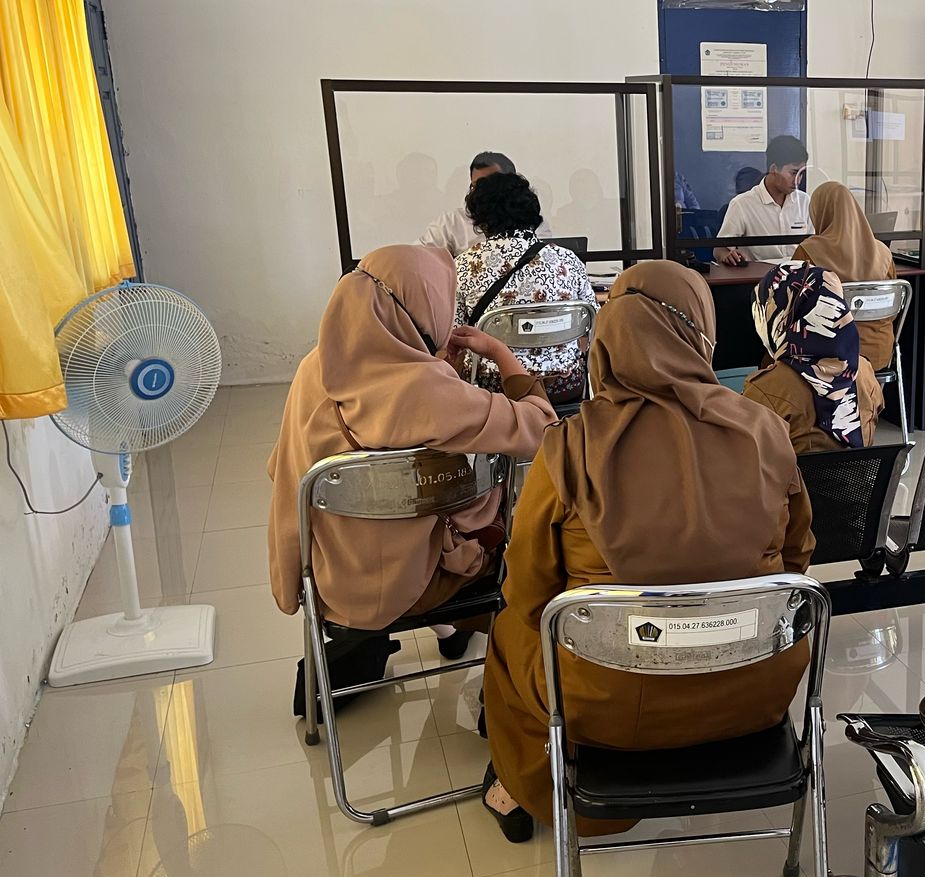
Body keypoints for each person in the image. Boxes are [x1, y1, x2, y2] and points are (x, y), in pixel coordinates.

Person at [480, 262, 815, 842]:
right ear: (700, 332)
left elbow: (529, 593)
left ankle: (525, 786)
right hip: (757, 685)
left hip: (604, 702)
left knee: (509, 630)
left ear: (608, 337)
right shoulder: (765, 431)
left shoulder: (568, 449)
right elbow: (797, 559)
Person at [267, 245, 557, 707]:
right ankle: (507, 675)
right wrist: (500, 353)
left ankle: (446, 633)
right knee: (523, 535)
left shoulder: (314, 366)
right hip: (410, 586)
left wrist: (438, 370)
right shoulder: (429, 393)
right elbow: (543, 429)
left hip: (329, 575)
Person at [454, 172, 596, 404]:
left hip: (494, 388)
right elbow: (593, 323)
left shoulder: (463, 265)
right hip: (564, 385)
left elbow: (455, 333)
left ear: (481, 218)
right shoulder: (568, 260)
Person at [744, 263, 884, 453]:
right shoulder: (864, 370)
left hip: (795, 474)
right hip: (862, 473)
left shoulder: (765, 389)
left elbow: (747, 456)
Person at [793, 182, 898, 371]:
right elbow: (891, 309)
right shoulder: (883, 252)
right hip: (878, 353)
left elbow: (794, 307)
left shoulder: (808, 251)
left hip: (828, 355)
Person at [419, 151, 552, 258]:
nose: (482, 191)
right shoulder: (451, 222)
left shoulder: (531, 219)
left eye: (490, 184)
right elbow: (418, 257)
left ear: (511, 183)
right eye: (476, 186)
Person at [715, 136, 812, 266]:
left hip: (799, 274)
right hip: (760, 275)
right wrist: (728, 255)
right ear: (774, 169)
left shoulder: (805, 201)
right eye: (793, 173)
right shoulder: (742, 204)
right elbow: (720, 249)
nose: (798, 180)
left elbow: (813, 245)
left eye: (801, 173)